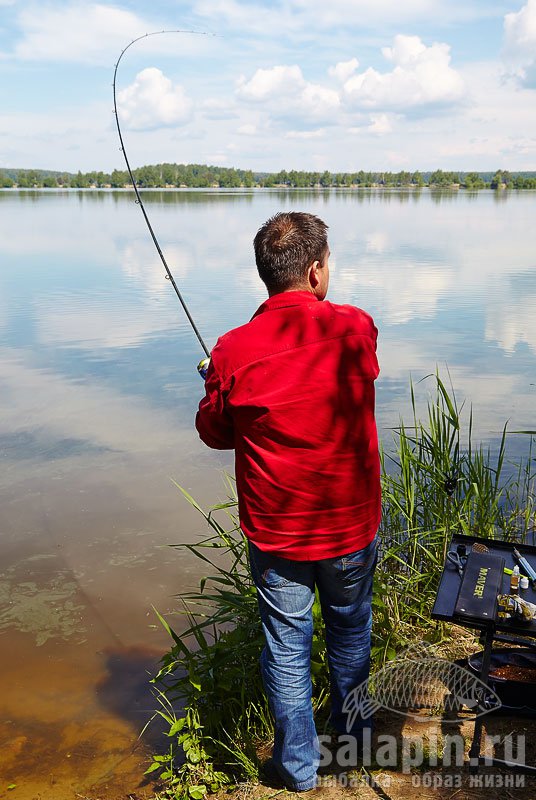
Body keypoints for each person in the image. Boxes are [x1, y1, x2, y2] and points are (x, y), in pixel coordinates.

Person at [196, 211, 381, 791]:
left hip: (278, 536)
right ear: (316, 270)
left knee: (286, 649)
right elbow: (361, 368)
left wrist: (215, 378)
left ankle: (297, 769)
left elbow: (215, 431)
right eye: (328, 262)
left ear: (266, 276)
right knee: (350, 635)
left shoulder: (233, 350)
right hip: (351, 526)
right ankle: (354, 749)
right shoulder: (355, 327)